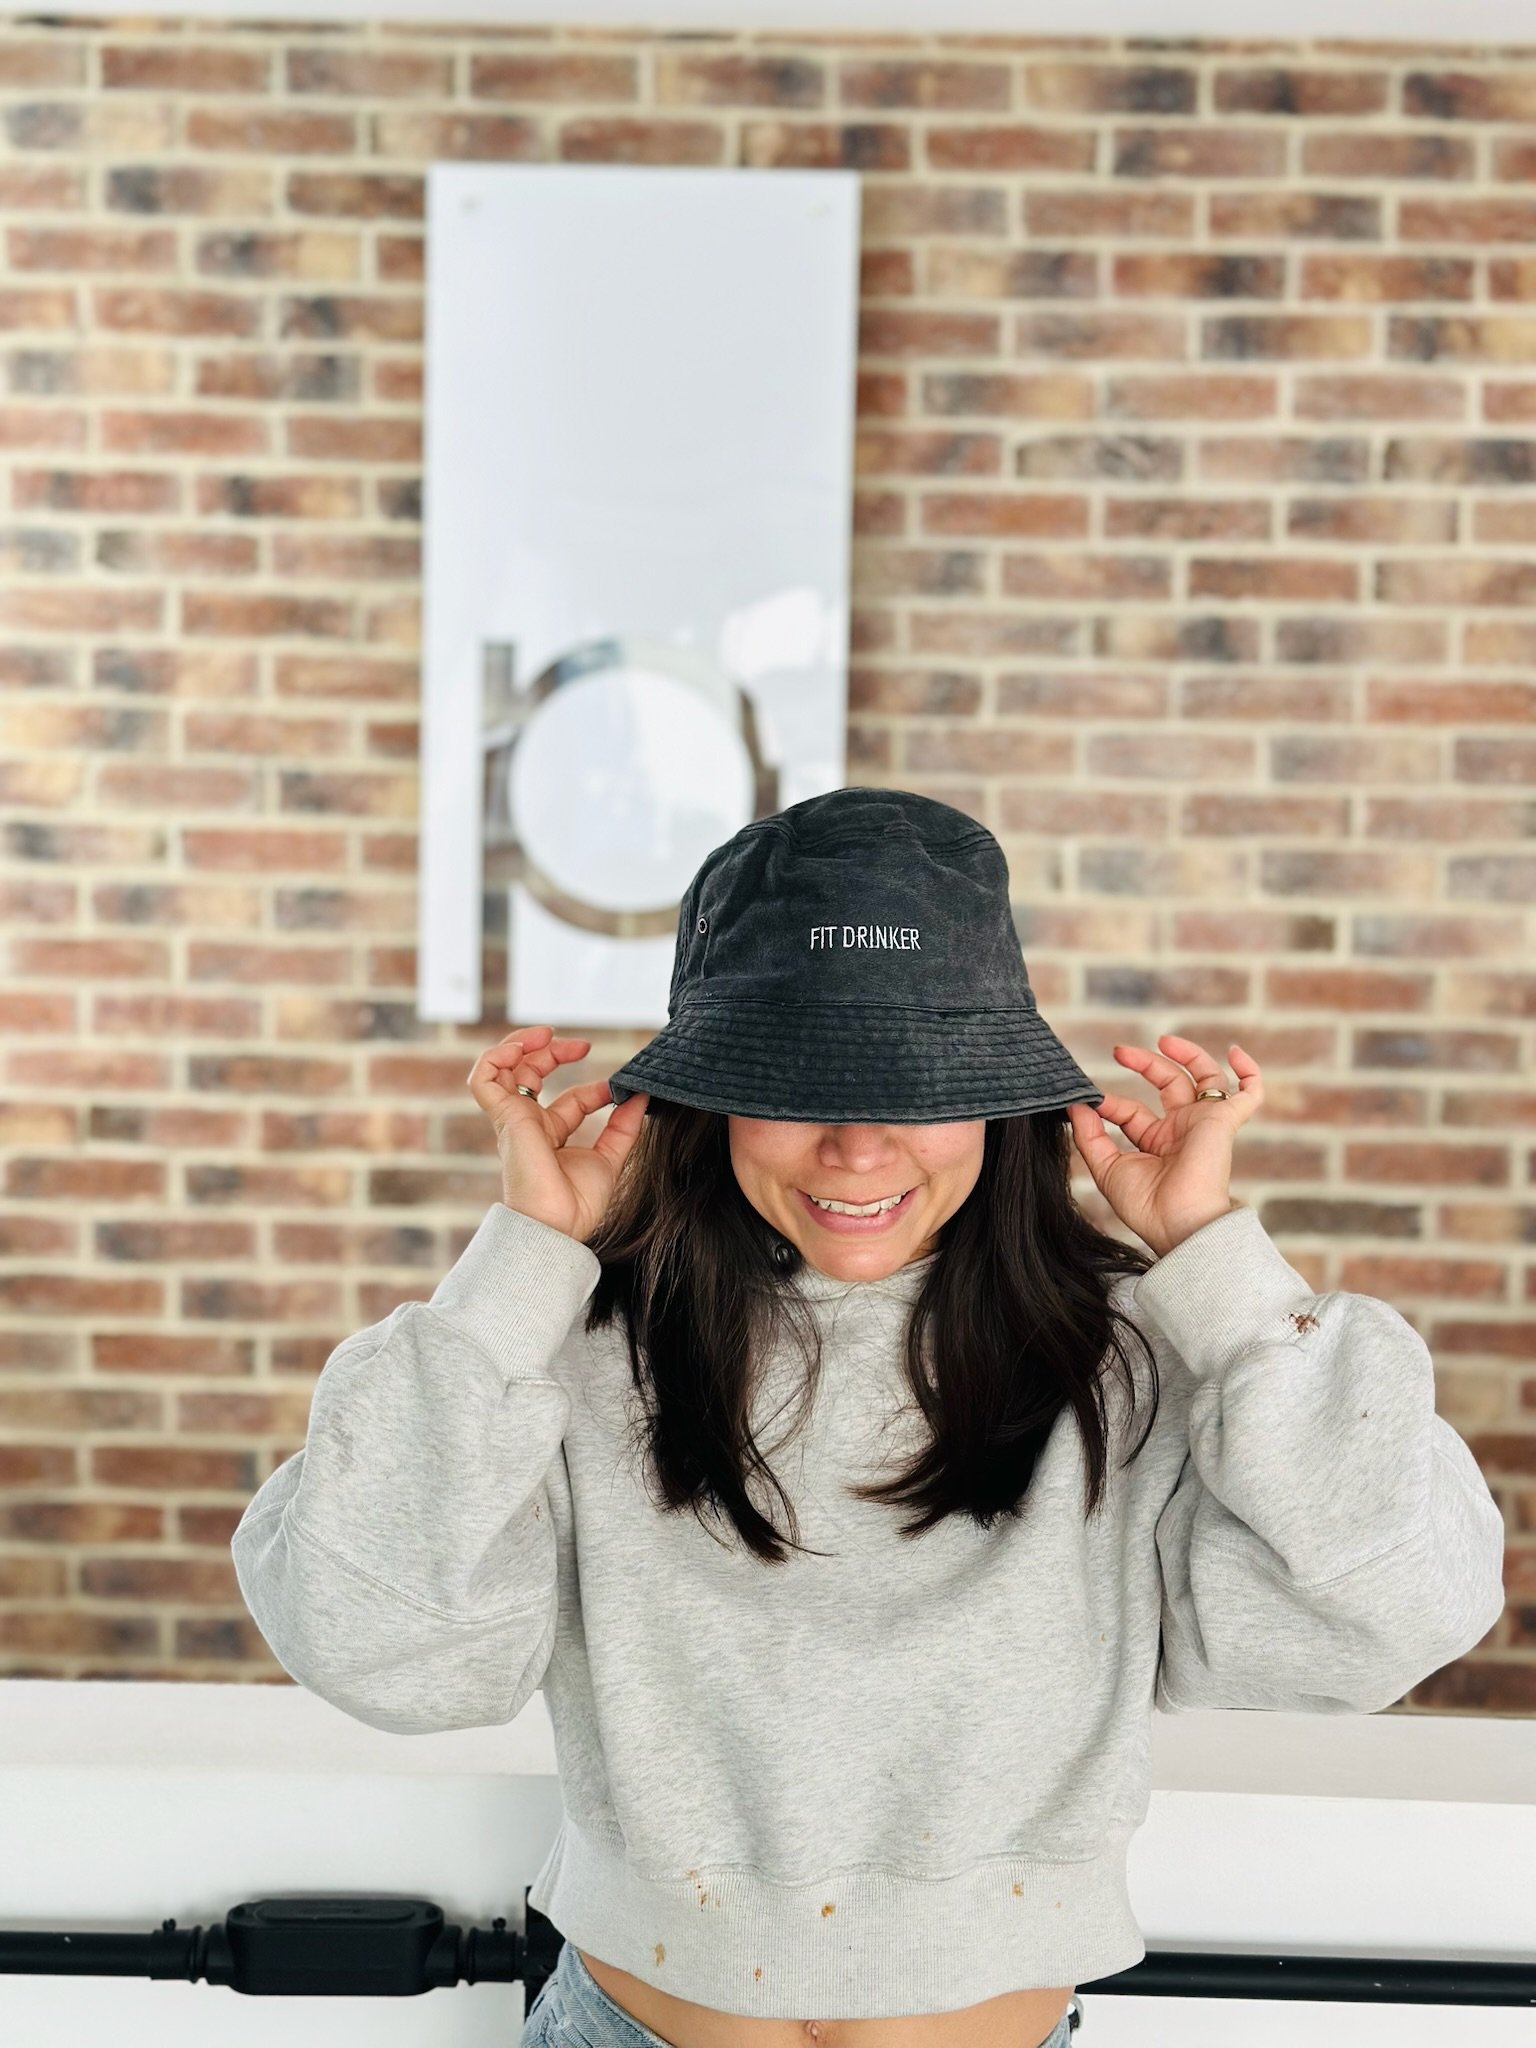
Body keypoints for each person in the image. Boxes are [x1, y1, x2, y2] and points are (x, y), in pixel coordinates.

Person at [232, 787, 1507, 2048]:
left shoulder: (1136, 1356)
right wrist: (525, 1257)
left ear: (998, 1097)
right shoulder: (562, 1345)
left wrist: (1217, 1259)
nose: (857, 1145)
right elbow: (371, 1637)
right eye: (795, 1084)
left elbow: (1398, 1608)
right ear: (710, 1096)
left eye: (916, 1082)